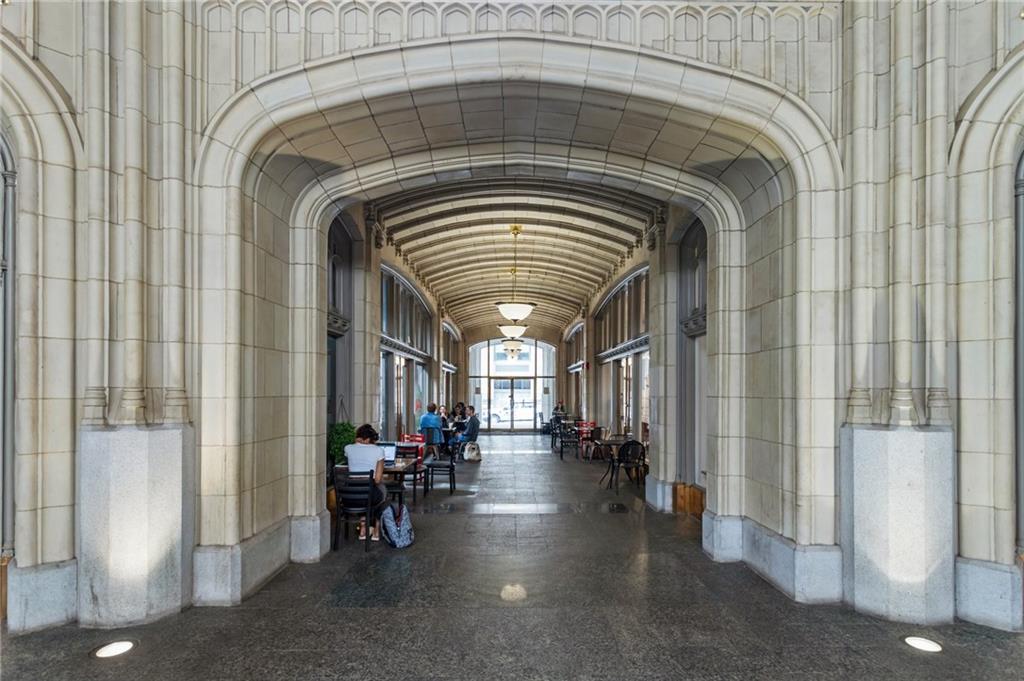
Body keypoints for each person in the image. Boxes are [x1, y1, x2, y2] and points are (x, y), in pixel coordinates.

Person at [343, 424, 388, 541]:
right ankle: (376, 531)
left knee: (363, 492)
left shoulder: (348, 448)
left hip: (349, 497)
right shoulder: (378, 451)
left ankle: (363, 528)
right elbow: (377, 479)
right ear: (369, 439)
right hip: (368, 496)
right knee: (382, 492)